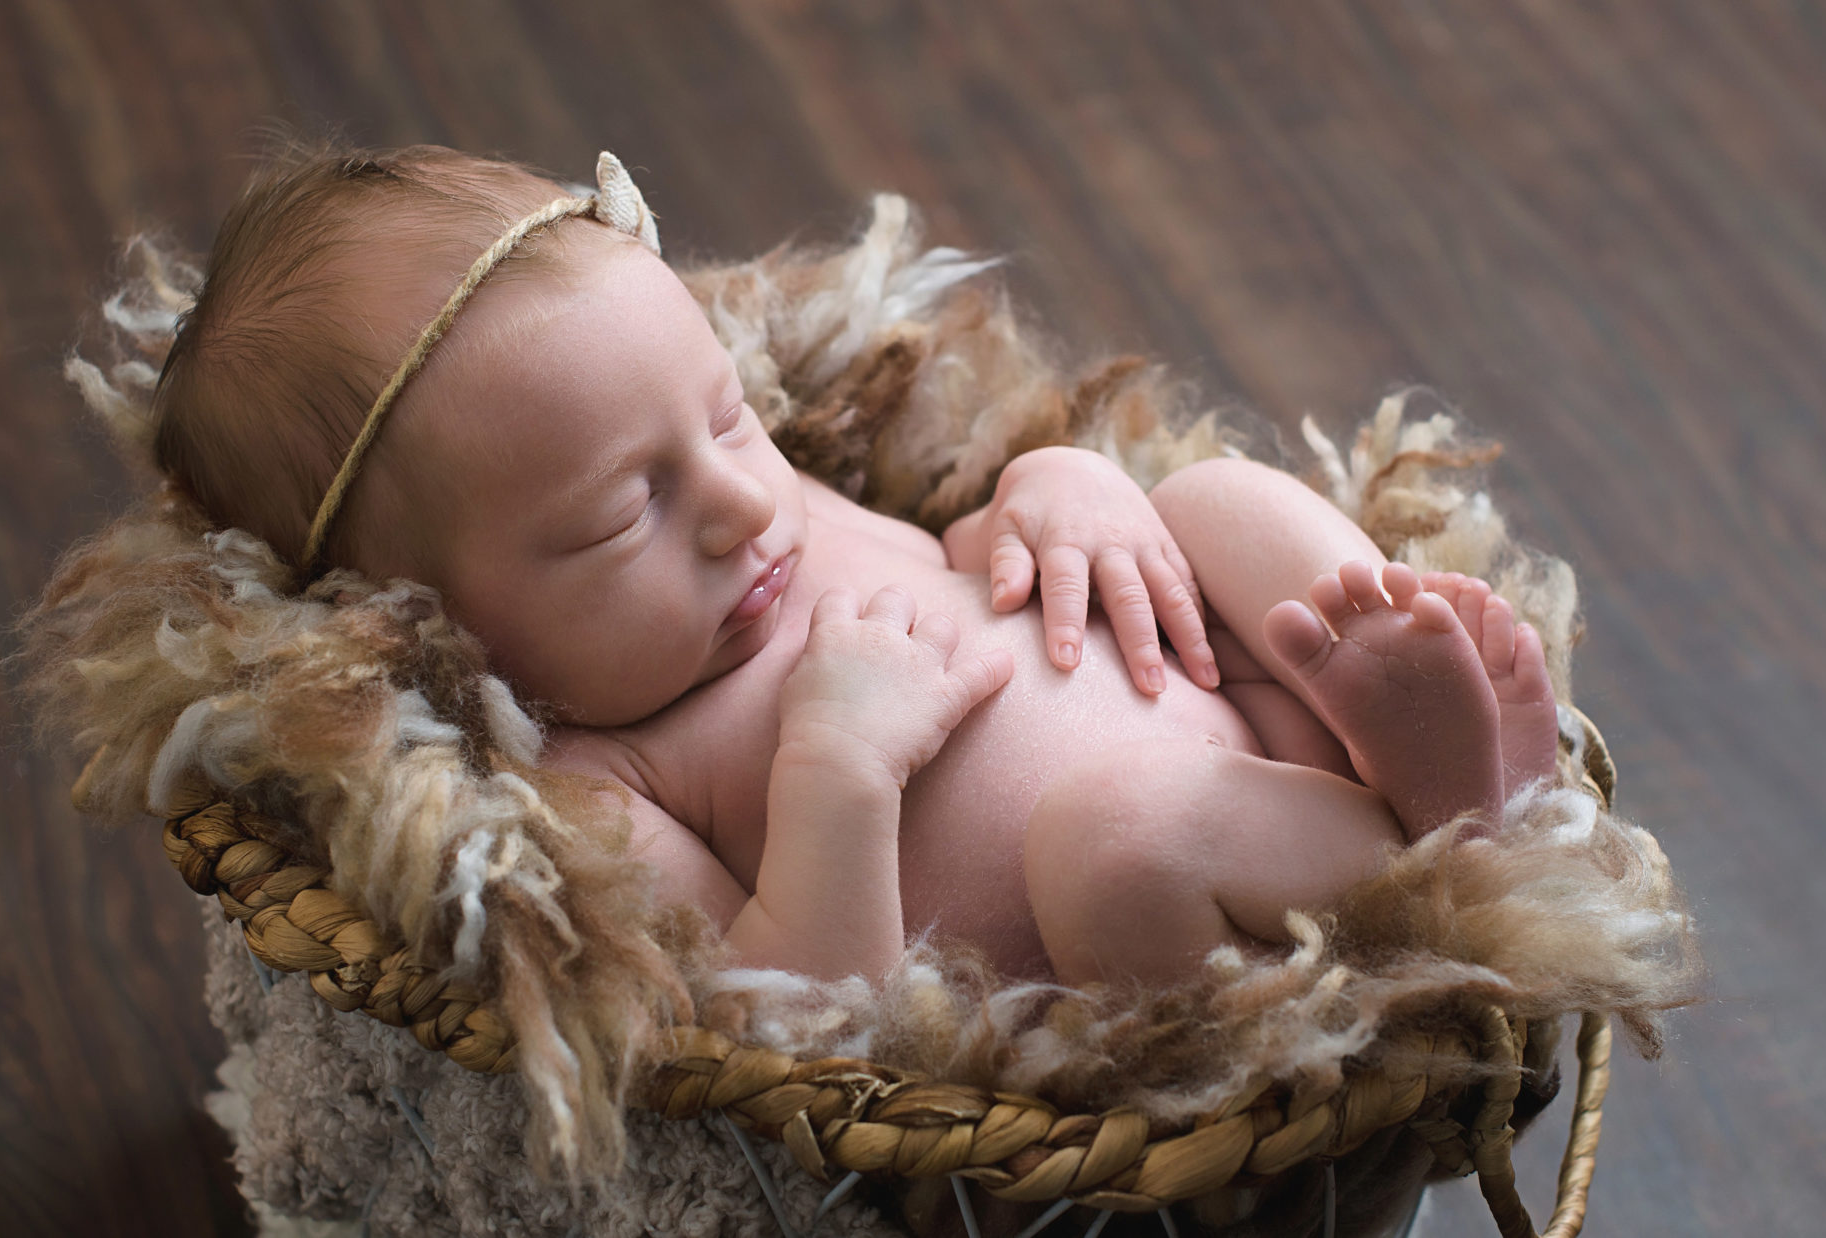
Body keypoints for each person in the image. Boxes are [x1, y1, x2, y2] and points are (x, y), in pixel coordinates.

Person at [145, 143, 1561, 988]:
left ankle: (1417, 721)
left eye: (723, 414)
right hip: (1175, 912)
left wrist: (1056, 498)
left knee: (1206, 491)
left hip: (1247, 710)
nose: (737, 505)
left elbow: (960, 556)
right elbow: (793, 1027)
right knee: (1115, 832)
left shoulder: (772, 511)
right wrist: (836, 768)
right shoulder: (602, 783)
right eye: (615, 516)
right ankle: (1451, 825)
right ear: (425, 624)